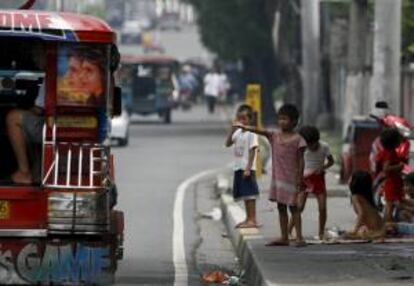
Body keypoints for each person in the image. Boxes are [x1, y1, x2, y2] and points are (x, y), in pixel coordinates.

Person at [235, 104, 307, 246]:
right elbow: (259, 131)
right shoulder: (274, 136)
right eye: (280, 119)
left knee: (294, 208)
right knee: (281, 208)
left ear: (294, 122)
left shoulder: (298, 139)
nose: (281, 122)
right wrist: (245, 127)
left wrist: (300, 177)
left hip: (292, 179)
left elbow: (301, 160)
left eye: (285, 119)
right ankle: (284, 237)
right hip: (278, 179)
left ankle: (299, 237)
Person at [6, 43, 46, 185]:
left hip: (51, 125)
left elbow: (38, 109)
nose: (35, 60)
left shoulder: (55, 77)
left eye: (37, 56)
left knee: (13, 118)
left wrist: (23, 110)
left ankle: (24, 172)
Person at [288, 126, 334, 240]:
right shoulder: (302, 149)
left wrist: (323, 167)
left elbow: (331, 161)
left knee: (322, 207)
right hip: (304, 179)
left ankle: (321, 233)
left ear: (317, 140)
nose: (310, 147)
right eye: (308, 145)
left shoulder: (324, 147)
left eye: (312, 144)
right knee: (299, 207)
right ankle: (288, 231)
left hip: (318, 178)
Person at [225, 104, 260, 228]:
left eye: (244, 118)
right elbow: (227, 143)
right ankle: (248, 218)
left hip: (246, 168)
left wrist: (248, 168)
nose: (242, 121)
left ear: (250, 119)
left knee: (250, 194)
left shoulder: (251, 133)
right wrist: (232, 129)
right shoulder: (238, 132)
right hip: (238, 167)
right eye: (240, 118)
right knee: (245, 194)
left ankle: (253, 219)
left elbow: (253, 150)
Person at [376, 128, 404, 223]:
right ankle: (387, 225)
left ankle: (387, 224)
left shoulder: (386, 151)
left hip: (393, 181)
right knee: (389, 205)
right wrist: (399, 166)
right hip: (392, 182)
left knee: (390, 205)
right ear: (394, 142)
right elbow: (386, 168)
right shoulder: (390, 153)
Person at [346, 170, 384, 239]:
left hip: (374, 231)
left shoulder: (355, 197)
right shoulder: (366, 198)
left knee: (349, 234)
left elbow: (361, 213)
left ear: (354, 182)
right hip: (381, 229)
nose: (349, 180)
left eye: (351, 178)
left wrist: (355, 230)